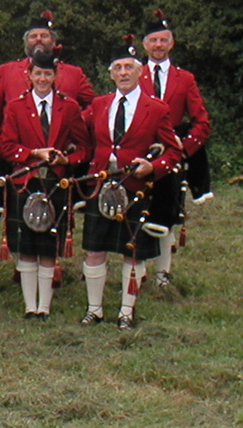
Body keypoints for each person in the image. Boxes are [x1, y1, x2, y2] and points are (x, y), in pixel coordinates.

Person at [78, 35, 181, 330]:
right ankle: (94, 309)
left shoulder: (157, 108)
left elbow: (173, 152)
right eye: (118, 67)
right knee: (94, 251)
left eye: (128, 67)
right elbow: (81, 137)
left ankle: (126, 310)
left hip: (135, 190)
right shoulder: (99, 105)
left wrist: (152, 166)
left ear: (139, 72)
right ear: (111, 73)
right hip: (102, 188)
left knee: (132, 254)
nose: (123, 72)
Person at [0, 51, 91, 320]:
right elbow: (7, 147)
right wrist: (34, 153)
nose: (42, 79)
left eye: (47, 74)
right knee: (27, 248)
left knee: (49, 247)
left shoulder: (70, 107)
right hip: (26, 182)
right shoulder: (15, 106)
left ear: (55, 76)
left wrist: (68, 158)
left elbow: (84, 148)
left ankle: (45, 306)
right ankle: (30, 306)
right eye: (37, 73)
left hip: (56, 182)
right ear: (29, 75)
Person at [139, 9, 212, 288]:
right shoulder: (134, 74)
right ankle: (138, 269)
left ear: (172, 43)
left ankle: (163, 274)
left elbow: (201, 121)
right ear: (145, 45)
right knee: (139, 210)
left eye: (163, 40)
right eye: (153, 40)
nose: (158, 45)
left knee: (168, 210)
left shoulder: (185, 79)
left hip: (173, 156)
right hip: (141, 154)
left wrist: (184, 146)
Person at [0, 10, 95, 128]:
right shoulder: (6, 71)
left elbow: (96, 106)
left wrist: (77, 119)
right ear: (26, 42)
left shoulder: (74, 73)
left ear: (53, 41)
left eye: (44, 36)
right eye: (33, 36)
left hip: (61, 144)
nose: (38, 39)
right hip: (17, 144)